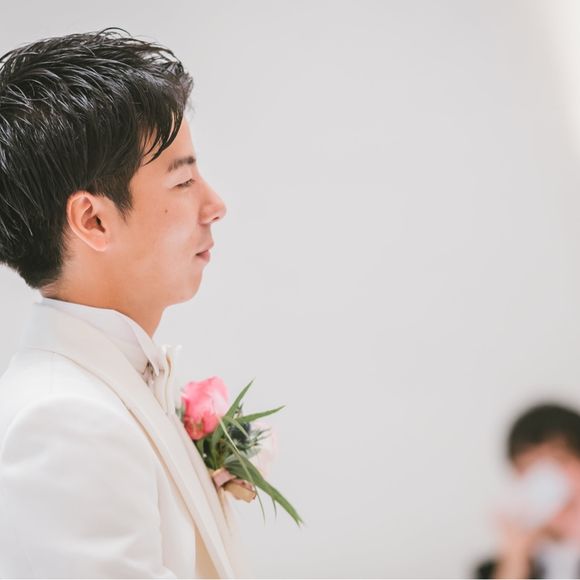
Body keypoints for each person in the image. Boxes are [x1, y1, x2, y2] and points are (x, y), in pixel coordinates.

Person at [0, 27, 246, 578]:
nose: (215, 205)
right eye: (183, 182)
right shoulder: (64, 419)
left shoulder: (110, 386)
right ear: (93, 220)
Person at [475, 403, 580, 579]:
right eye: (531, 466)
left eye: (559, 460)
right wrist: (516, 555)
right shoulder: (494, 569)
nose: (547, 477)